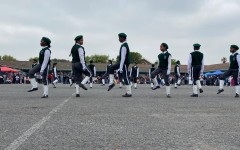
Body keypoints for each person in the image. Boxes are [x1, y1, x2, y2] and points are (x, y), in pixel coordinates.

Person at [108, 33, 132, 97]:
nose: (118, 39)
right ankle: (111, 82)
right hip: (122, 63)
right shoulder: (124, 45)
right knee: (111, 68)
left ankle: (129, 92)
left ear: (122, 38)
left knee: (125, 77)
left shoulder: (124, 46)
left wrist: (120, 67)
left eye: (119, 38)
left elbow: (123, 57)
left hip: (123, 63)